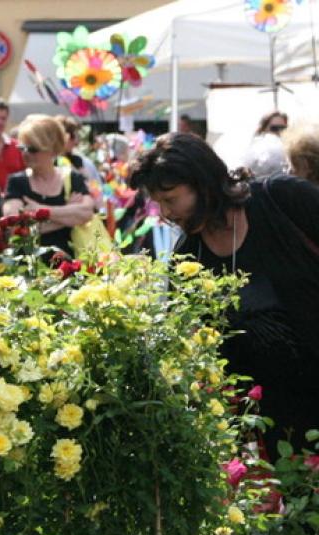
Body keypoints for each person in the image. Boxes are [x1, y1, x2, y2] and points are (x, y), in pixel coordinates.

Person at [128, 132, 319, 454]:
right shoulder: (188, 259)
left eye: (171, 199)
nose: (167, 214)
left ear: (202, 183)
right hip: (280, 421)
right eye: (159, 204)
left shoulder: (281, 198)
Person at [3, 115, 96, 258]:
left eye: (32, 149)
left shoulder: (72, 178)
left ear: (52, 149)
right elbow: (15, 229)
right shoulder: (17, 182)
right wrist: (69, 215)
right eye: (22, 148)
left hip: (70, 266)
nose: (26, 153)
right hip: (29, 268)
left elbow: (87, 213)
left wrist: (40, 211)